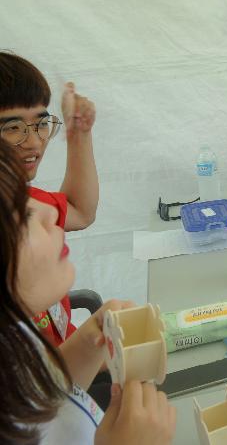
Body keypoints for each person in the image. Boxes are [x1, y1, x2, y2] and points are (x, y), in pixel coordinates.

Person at [0, 140, 176, 444]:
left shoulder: (13, 334)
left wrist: (87, 343)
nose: (51, 213)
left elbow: (40, 396)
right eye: (25, 214)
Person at [0, 52, 99, 347]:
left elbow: (79, 211)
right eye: (12, 128)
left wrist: (78, 131)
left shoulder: (25, 198)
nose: (33, 142)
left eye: (41, 124)